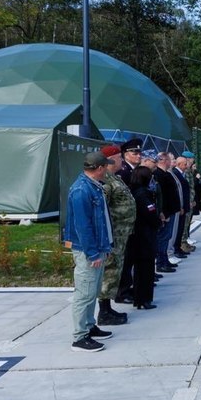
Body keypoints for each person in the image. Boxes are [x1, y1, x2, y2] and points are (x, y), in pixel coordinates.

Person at [65, 151, 114, 352]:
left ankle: (89, 325)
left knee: (92, 290)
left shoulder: (93, 186)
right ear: (100, 168)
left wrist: (105, 246)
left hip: (98, 248)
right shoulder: (81, 190)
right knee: (84, 293)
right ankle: (79, 337)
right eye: (106, 167)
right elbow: (83, 226)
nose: (108, 170)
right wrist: (93, 253)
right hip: (88, 251)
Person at [97, 145, 136, 325]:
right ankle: (104, 312)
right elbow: (102, 209)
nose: (122, 160)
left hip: (122, 234)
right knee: (109, 272)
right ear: (110, 159)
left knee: (115, 271)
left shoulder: (114, 178)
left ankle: (108, 307)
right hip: (113, 235)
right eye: (120, 157)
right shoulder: (105, 181)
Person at [127, 166, 160, 309]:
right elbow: (150, 213)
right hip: (144, 235)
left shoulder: (134, 192)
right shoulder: (143, 194)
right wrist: (158, 222)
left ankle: (140, 298)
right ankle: (144, 299)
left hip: (138, 235)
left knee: (141, 268)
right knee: (145, 268)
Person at [154, 152, 180, 273]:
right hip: (166, 212)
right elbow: (161, 196)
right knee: (163, 237)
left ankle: (165, 260)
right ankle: (161, 262)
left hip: (172, 210)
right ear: (164, 160)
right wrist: (163, 213)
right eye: (170, 160)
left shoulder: (166, 174)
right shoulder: (158, 175)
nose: (171, 162)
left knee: (167, 236)